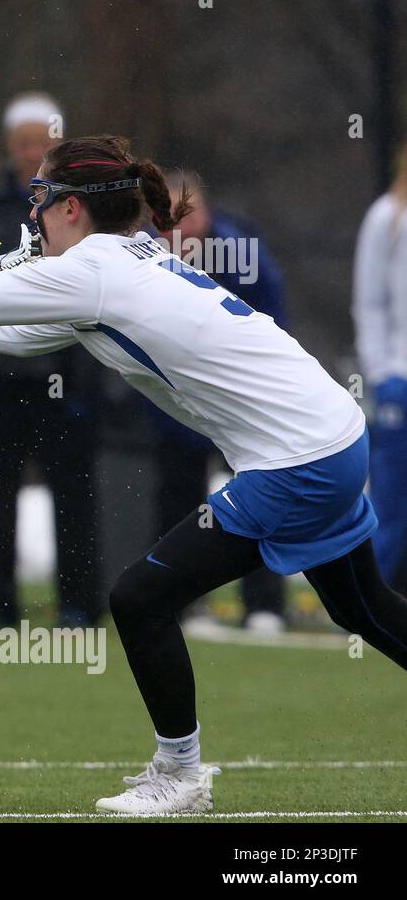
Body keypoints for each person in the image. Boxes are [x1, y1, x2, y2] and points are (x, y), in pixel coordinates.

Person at [0, 134, 407, 815]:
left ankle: (181, 775)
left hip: (299, 461)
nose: (31, 213)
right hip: (331, 436)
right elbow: (15, 334)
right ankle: (179, 770)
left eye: (40, 197)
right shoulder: (124, 256)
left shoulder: (91, 271)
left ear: (72, 207)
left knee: (140, 599)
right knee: (363, 609)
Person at [0, 92, 102, 628]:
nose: (31, 153)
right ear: (9, 145)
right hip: (0, 379)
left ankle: (80, 603)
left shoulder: (81, 210)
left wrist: (86, 382)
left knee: (73, 495)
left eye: (41, 143)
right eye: (23, 143)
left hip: (63, 377)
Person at [157, 170, 290, 633]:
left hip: (242, 401)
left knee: (258, 495)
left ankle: (264, 605)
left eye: (187, 215)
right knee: (180, 501)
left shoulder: (239, 253)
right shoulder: (147, 262)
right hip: (181, 403)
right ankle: (184, 604)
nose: (180, 227)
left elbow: (274, 320)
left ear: (206, 213)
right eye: (168, 217)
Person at [353, 148, 407, 593]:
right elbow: (369, 302)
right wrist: (381, 373)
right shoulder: (387, 216)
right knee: (390, 500)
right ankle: (373, 602)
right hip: (399, 382)